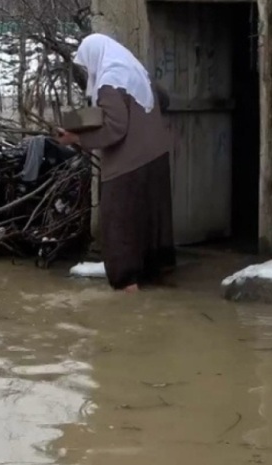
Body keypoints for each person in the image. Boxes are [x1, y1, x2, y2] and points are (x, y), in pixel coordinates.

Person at [56, 33, 175, 292]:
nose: (89, 70)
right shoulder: (132, 67)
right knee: (147, 221)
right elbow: (162, 98)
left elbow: (115, 129)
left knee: (118, 224)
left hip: (128, 166)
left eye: (87, 64)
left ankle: (127, 286)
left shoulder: (110, 80)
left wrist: (77, 137)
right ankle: (153, 281)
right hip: (155, 158)